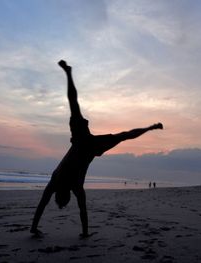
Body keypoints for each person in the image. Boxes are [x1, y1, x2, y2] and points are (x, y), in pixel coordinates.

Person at [30, 60, 163, 238]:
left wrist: (84, 232)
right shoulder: (67, 185)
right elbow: (73, 209)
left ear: (63, 195)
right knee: (118, 132)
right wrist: (84, 232)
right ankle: (150, 128)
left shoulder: (63, 184)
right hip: (87, 144)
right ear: (61, 194)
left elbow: (46, 206)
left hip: (84, 143)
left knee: (78, 107)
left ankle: (150, 128)